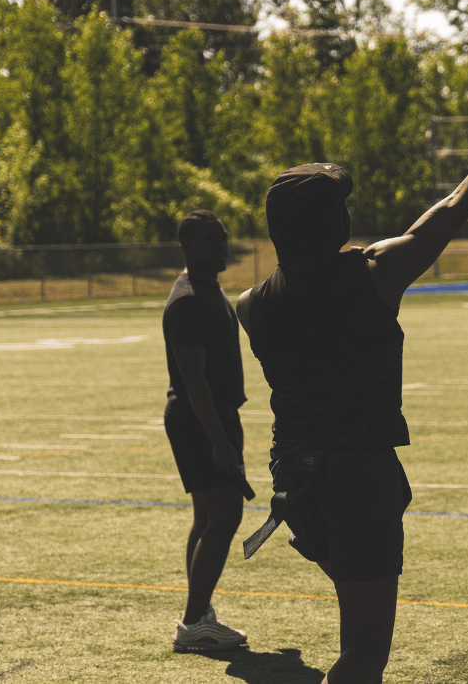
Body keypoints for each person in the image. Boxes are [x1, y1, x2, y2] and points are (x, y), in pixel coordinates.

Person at [237, 45, 468, 683]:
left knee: (355, 621)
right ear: (330, 220)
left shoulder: (251, 304)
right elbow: (455, 208)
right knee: (362, 652)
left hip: (297, 479)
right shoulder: (373, 275)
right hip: (357, 476)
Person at [162, 209, 252, 653]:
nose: (222, 245)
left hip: (209, 417)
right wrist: (219, 440)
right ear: (188, 247)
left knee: (207, 517)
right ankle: (194, 621)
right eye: (211, 240)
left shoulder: (205, 290)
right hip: (202, 419)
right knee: (225, 517)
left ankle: (199, 613)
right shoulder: (189, 301)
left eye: (223, 237)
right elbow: (192, 378)